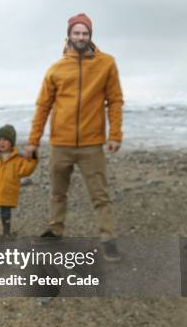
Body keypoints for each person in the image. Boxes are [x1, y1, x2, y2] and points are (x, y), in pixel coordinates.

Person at [23, 13, 123, 261]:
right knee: (58, 192)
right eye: (77, 33)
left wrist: (115, 135)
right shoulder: (56, 69)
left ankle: (109, 238)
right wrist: (33, 141)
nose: (81, 37)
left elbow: (115, 101)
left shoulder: (106, 64)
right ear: (69, 35)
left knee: (100, 195)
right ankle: (55, 230)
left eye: (85, 33)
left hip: (92, 144)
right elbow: (43, 107)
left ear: (90, 36)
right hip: (61, 143)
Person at [0, 125, 38, 237]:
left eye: (5, 140)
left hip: (7, 193)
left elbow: (27, 170)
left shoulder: (18, 159)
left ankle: (6, 233)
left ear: (12, 142)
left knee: (6, 214)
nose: (2, 142)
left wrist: (33, 158)